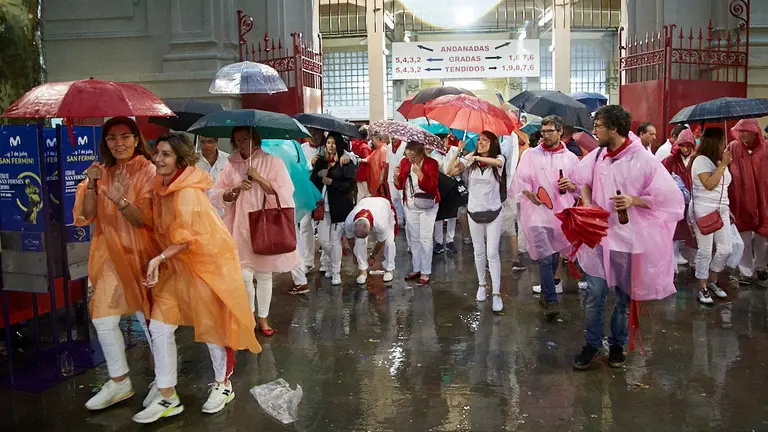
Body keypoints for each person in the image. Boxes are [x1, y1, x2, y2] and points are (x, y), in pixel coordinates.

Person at [133, 132, 261, 423]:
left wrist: (158, 258)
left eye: (165, 154)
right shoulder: (162, 186)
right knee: (161, 325)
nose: (158, 159)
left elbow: (186, 238)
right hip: (178, 266)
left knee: (213, 328)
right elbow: (158, 226)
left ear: (179, 158)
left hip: (208, 264)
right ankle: (167, 395)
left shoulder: (187, 191)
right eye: (157, 153)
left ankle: (223, 385)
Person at [570, 105, 684, 370]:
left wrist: (634, 200)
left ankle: (617, 345)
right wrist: (587, 204)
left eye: (598, 126)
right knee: (595, 294)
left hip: (629, 241)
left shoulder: (644, 160)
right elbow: (583, 181)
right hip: (599, 238)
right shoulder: (598, 155)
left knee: (623, 298)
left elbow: (670, 199)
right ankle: (592, 344)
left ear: (613, 129)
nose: (594, 131)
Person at [74, 116, 158, 411]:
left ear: (137, 139)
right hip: (108, 255)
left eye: (125, 136)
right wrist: (94, 183)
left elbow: (144, 220)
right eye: (112, 137)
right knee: (102, 318)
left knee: (149, 321)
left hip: (140, 254)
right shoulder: (102, 171)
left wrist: (121, 201)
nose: (119, 143)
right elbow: (86, 215)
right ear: (105, 142)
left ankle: (163, 384)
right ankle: (119, 381)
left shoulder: (149, 170)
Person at [211, 127, 299, 335]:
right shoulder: (231, 165)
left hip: (264, 224)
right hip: (239, 224)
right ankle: (249, 315)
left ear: (255, 139)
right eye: (238, 140)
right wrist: (235, 188)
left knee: (264, 274)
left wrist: (258, 177)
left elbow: (285, 192)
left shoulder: (273, 162)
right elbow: (218, 194)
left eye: (246, 139)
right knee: (243, 275)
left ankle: (263, 318)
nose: (243, 144)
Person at [510, 115, 579, 319]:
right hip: (537, 214)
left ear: (560, 132)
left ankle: (546, 296)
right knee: (545, 257)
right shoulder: (531, 155)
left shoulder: (570, 159)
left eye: (550, 131)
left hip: (560, 215)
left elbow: (580, 187)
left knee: (555, 253)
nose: (546, 135)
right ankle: (550, 300)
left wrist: (571, 186)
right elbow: (520, 181)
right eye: (544, 131)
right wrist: (530, 194)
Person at [448, 132, 507, 312]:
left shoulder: (499, 158)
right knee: (479, 251)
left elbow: (497, 163)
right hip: (474, 212)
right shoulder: (469, 160)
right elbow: (450, 172)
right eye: (479, 140)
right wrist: (458, 151)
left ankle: (496, 293)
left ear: (492, 143)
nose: (480, 143)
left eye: (485, 140)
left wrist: (474, 157)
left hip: (494, 213)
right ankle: (482, 285)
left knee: (492, 253)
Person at [690, 127, 732, 304]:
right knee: (705, 251)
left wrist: (728, 209)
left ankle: (712, 280)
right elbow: (709, 184)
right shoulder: (700, 161)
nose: (725, 144)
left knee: (726, 249)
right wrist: (723, 165)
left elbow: (723, 187)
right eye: (722, 140)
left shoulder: (717, 160)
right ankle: (702, 287)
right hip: (704, 210)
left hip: (722, 209)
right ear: (715, 142)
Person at [310, 133, 357, 285]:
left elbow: (350, 185)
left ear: (339, 145)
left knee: (335, 241)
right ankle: (332, 263)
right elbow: (312, 183)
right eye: (328, 142)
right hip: (322, 208)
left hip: (339, 207)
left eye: (333, 143)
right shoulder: (321, 161)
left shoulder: (345, 162)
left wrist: (332, 182)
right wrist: (317, 174)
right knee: (324, 242)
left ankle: (336, 271)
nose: (330, 146)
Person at [395, 140, 441, 285]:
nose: (410, 159)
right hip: (410, 205)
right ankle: (417, 268)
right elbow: (400, 184)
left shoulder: (431, 163)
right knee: (414, 238)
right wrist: (396, 176)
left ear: (421, 155)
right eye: (408, 156)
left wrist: (420, 174)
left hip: (428, 205)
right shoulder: (405, 163)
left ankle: (426, 271)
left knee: (425, 238)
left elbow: (432, 187)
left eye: (413, 157)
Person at [728, 118, 768, 283]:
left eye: (746, 131)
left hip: (764, 199)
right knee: (743, 235)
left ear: (755, 132)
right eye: (740, 131)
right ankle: (745, 271)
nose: (742, 134)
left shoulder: (766, 148)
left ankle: (761, 266)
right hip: (741, 198)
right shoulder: (733, 148)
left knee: (763, 236)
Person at [662, 129, 697, 267]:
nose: (686, 149)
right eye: (683, 145)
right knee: (674, 235)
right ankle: (672, 268)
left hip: (693, 202)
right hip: (675, 204)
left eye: (689, 145)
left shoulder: (696, 160)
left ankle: (694, 264)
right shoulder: (670, 161)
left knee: (693, 235)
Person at [343, 196, 396, 284]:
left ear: (371, 228)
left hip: (384, 206)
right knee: (359, 241)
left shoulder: (381, 223)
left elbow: (381, 242)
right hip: (365, 201)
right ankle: (362, 269)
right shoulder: (349, 222)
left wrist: (372, 257)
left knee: (389, 242)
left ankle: (389, 269)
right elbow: (350, 239)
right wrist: (355, 254)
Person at [195, 135, 229, 216]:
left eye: (210, 141)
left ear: (217, 142)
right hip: (199, 210)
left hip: (222, 212)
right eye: (203, 142)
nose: (206, 145)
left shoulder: (228, 160)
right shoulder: (193, 160)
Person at [351, 126, 372, 202]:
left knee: (360, 194)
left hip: (357, 173)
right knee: (367, 195)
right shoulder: (365, 147)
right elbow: (368, 160)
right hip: (365, 175)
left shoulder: (354, 146)